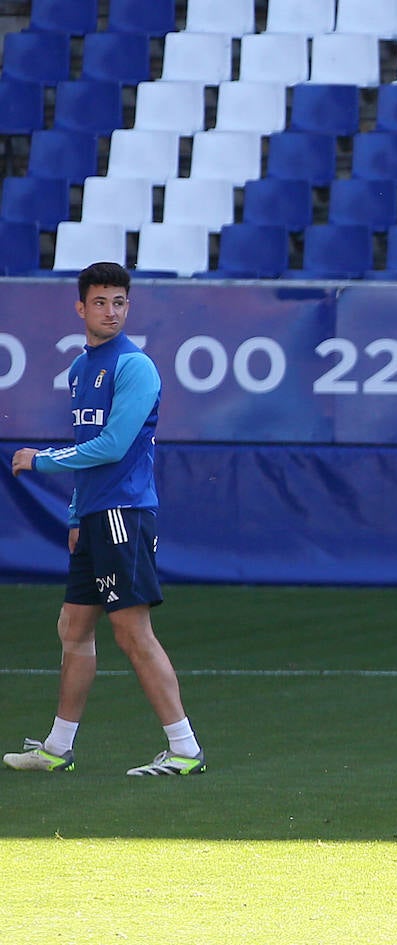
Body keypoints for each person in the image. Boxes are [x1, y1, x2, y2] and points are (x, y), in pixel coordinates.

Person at [5, 261, 206, 776]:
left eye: (119, 302)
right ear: (81, 308)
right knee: (73, 626)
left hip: (124, 514)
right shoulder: (80, 369)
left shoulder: (134, 366)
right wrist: (75, 515)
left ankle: (184, 748)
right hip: (95, 516)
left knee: (133, 632)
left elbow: (113, 446)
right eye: (101, 302)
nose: (111, 311)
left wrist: (41, 460)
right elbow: (87, 450)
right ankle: (57, 747)